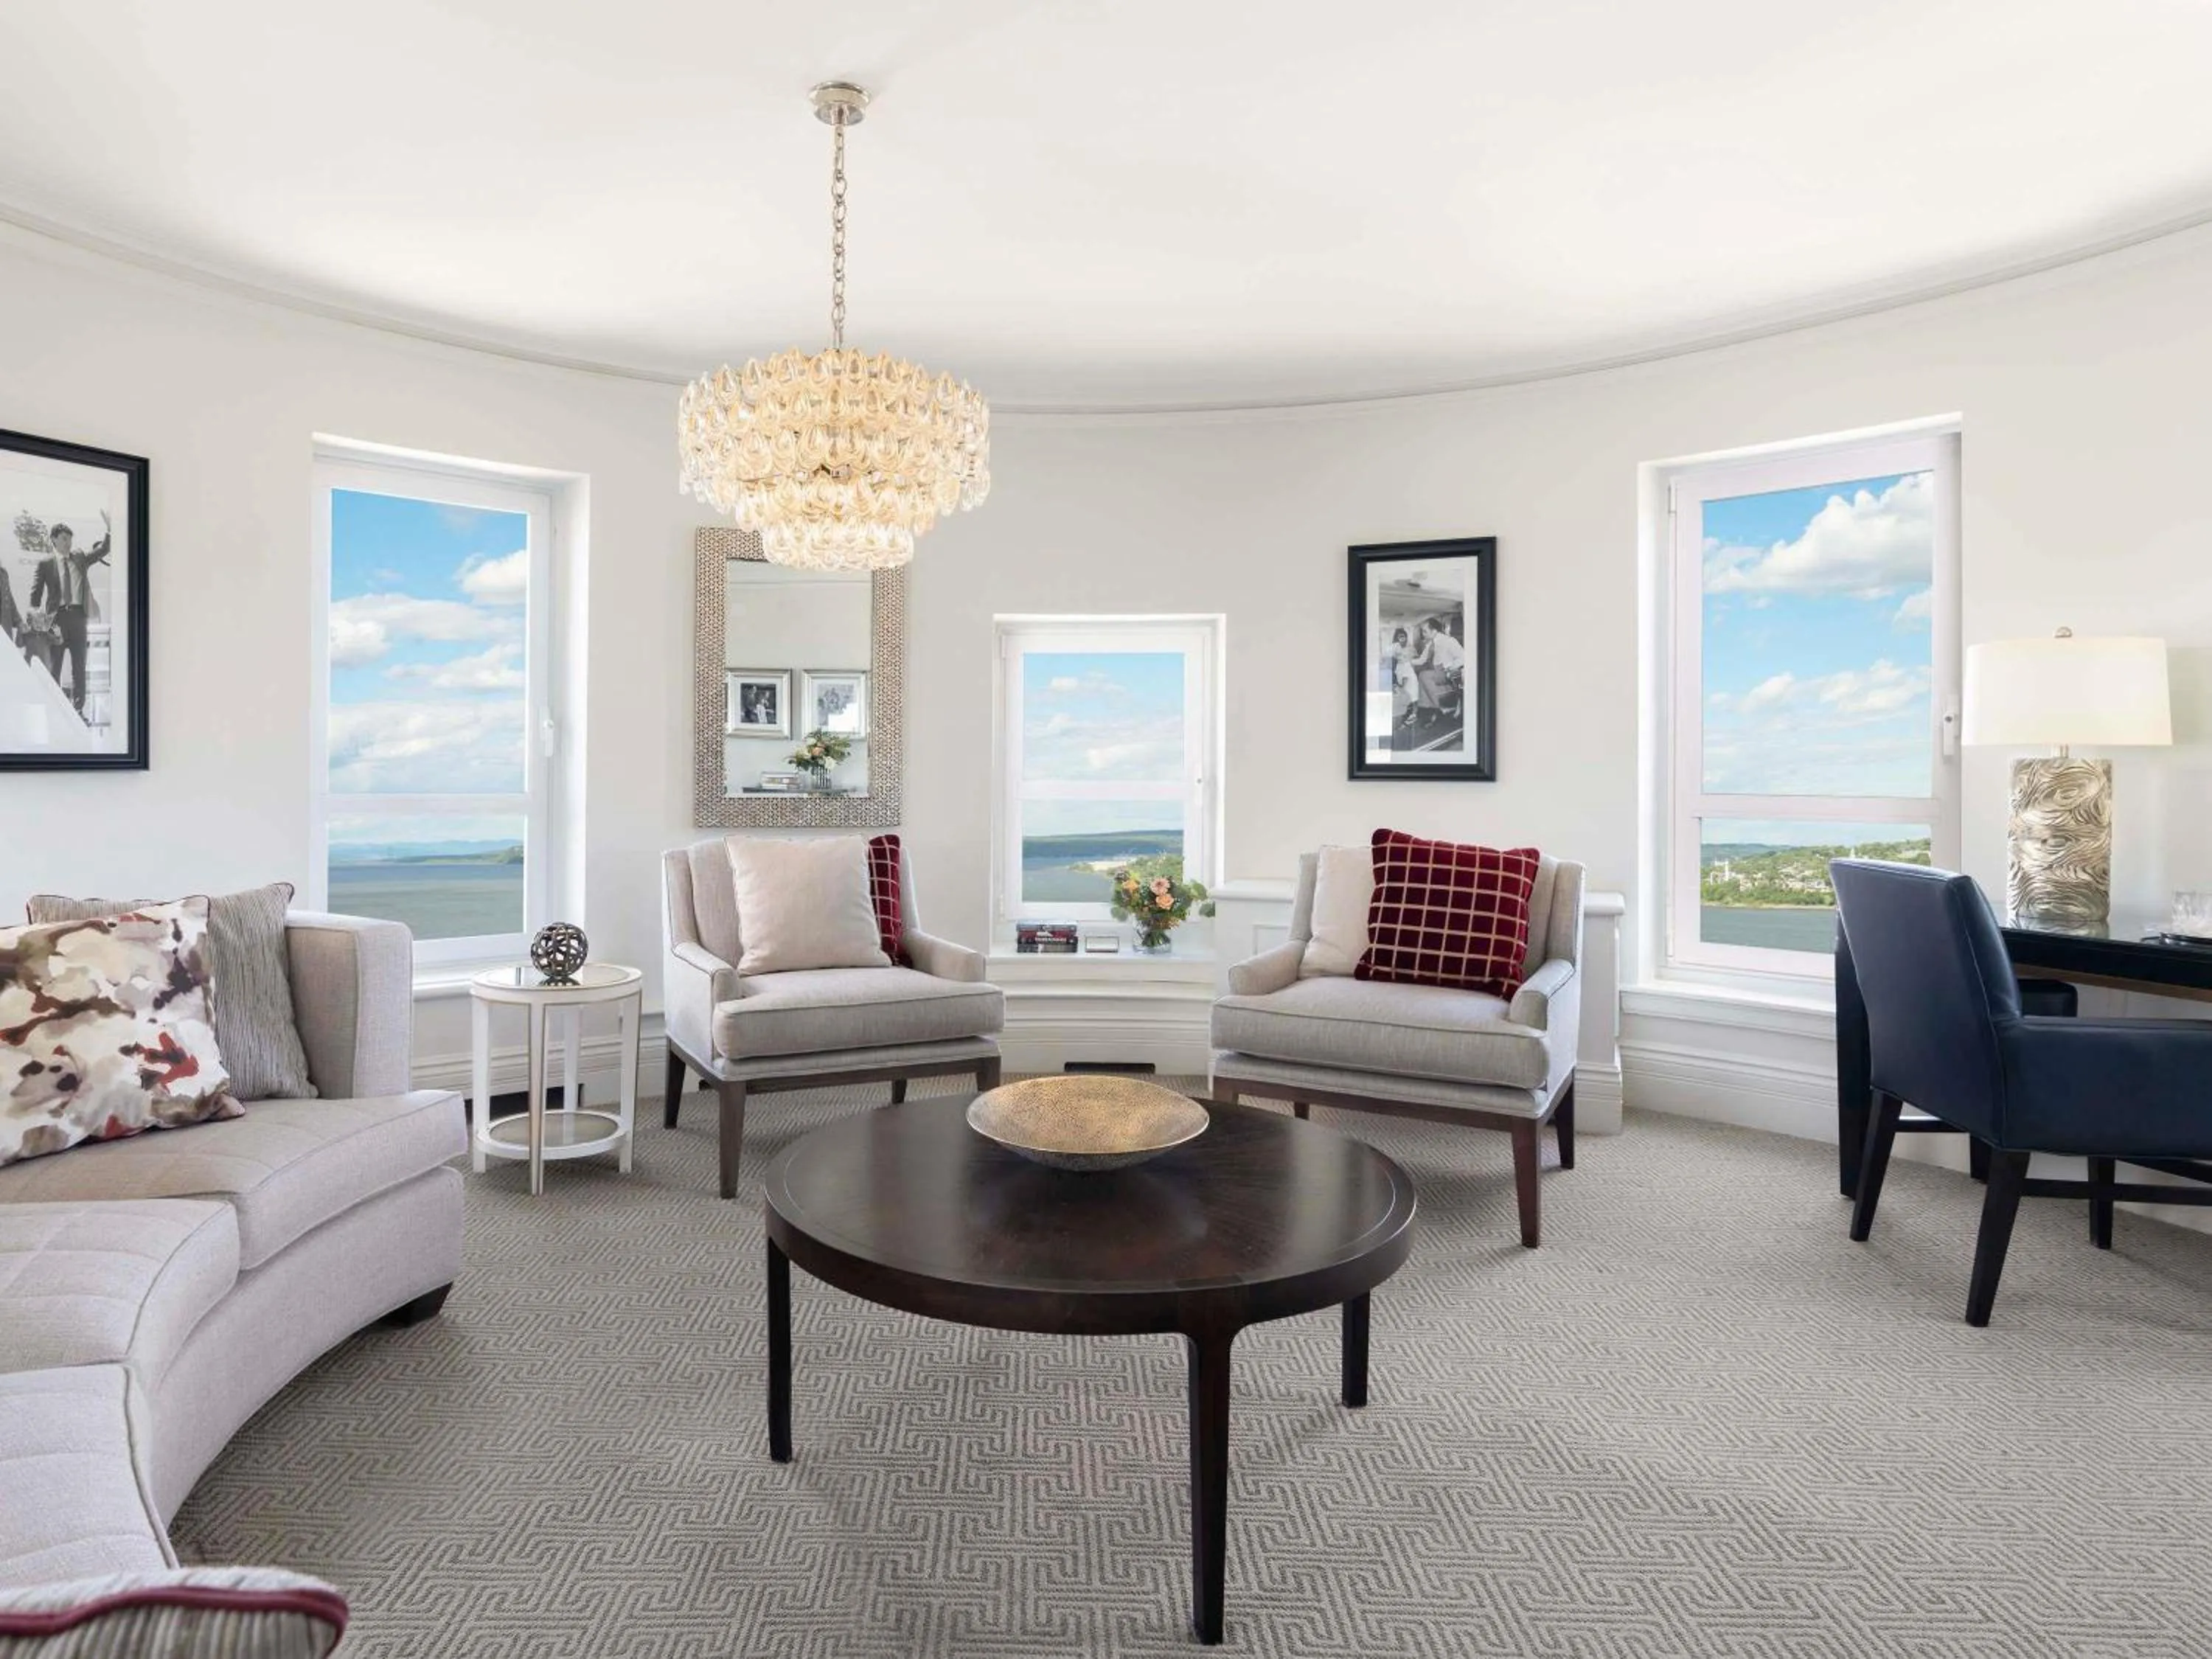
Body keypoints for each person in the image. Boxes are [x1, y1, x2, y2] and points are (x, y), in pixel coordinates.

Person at [29, 515, 109, 715]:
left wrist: (109, 531)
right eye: (64, 538)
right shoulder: (46, 564)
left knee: (79, 667)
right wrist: (40, 625)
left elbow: (103, 550)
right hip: (56, 621)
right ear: (54, 539)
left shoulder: (80, 557)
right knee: (54, 666)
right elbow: (35, 597)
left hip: (78, 618)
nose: (69, 542)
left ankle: (79, 710)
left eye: (70, 538)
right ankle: (55, 709)